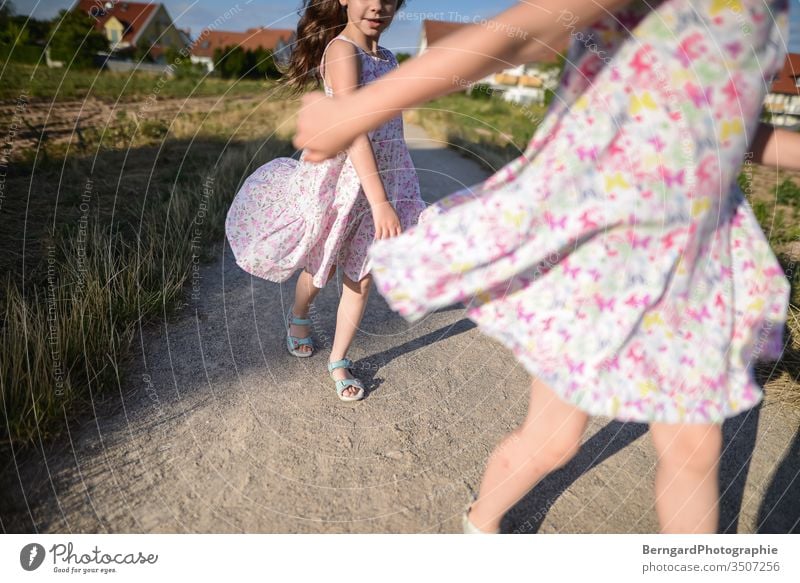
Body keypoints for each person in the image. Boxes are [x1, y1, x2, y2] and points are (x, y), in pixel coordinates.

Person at [293, 0, 799, 531]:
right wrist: (355, 111)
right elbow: (522, 34)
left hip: (698, 252)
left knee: (695, 450)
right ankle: (481, 524)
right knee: (554, 441)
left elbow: (726, 122)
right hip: (600, 242)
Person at [225, 0, 425, 401]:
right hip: (341, 185)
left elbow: (392, 135)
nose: (378, 6)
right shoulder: (341, 50)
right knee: (322, 263)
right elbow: (352, 131)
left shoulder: (387, 59)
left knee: (362, 273)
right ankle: (299, 315)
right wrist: (380, 200)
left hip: (382, 184)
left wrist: (397, 192)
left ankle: (338, 359)